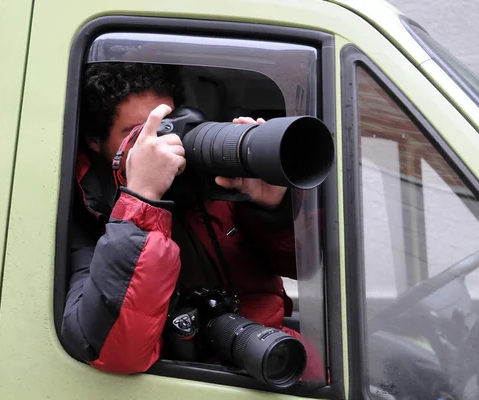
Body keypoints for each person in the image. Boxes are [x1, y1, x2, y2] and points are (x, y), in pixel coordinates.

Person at [60, 62, 321, 378]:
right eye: (138, 133)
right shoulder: (78, 211)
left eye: (167, 123)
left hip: (267, 352)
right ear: (95, 140)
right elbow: (115, 351)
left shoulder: (211, 180)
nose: (161, 143)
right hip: (176, 375)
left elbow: (306, 270)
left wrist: (273, 210)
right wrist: (142, 199)